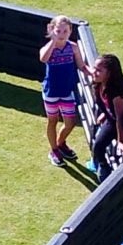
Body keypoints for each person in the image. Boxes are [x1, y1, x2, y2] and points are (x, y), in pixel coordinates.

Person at [86, 52, 123, 175]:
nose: (94, 72)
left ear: (109, 74)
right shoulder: (98, 85)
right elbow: (106, 106)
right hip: (112, 118)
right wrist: (105, 113)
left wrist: (121, 141)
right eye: (95, 68)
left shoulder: (116, 92)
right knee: (98, 145)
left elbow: (120, 117)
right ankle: (104, 168)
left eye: (99, 70)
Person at [38, 17, 84, 167]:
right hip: (51, 92)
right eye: (58, 31)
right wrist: (53, 41)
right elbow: (43, 59)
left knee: (70, 123)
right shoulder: (48, 48)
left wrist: (93, 73)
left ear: (71, 31)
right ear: (51, 30)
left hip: (66, 92)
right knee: (52, 121)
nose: (62, 34)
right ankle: (54, 150)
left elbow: (81, 66)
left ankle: (60, 143)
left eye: (66, 31)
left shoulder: (74, 47)